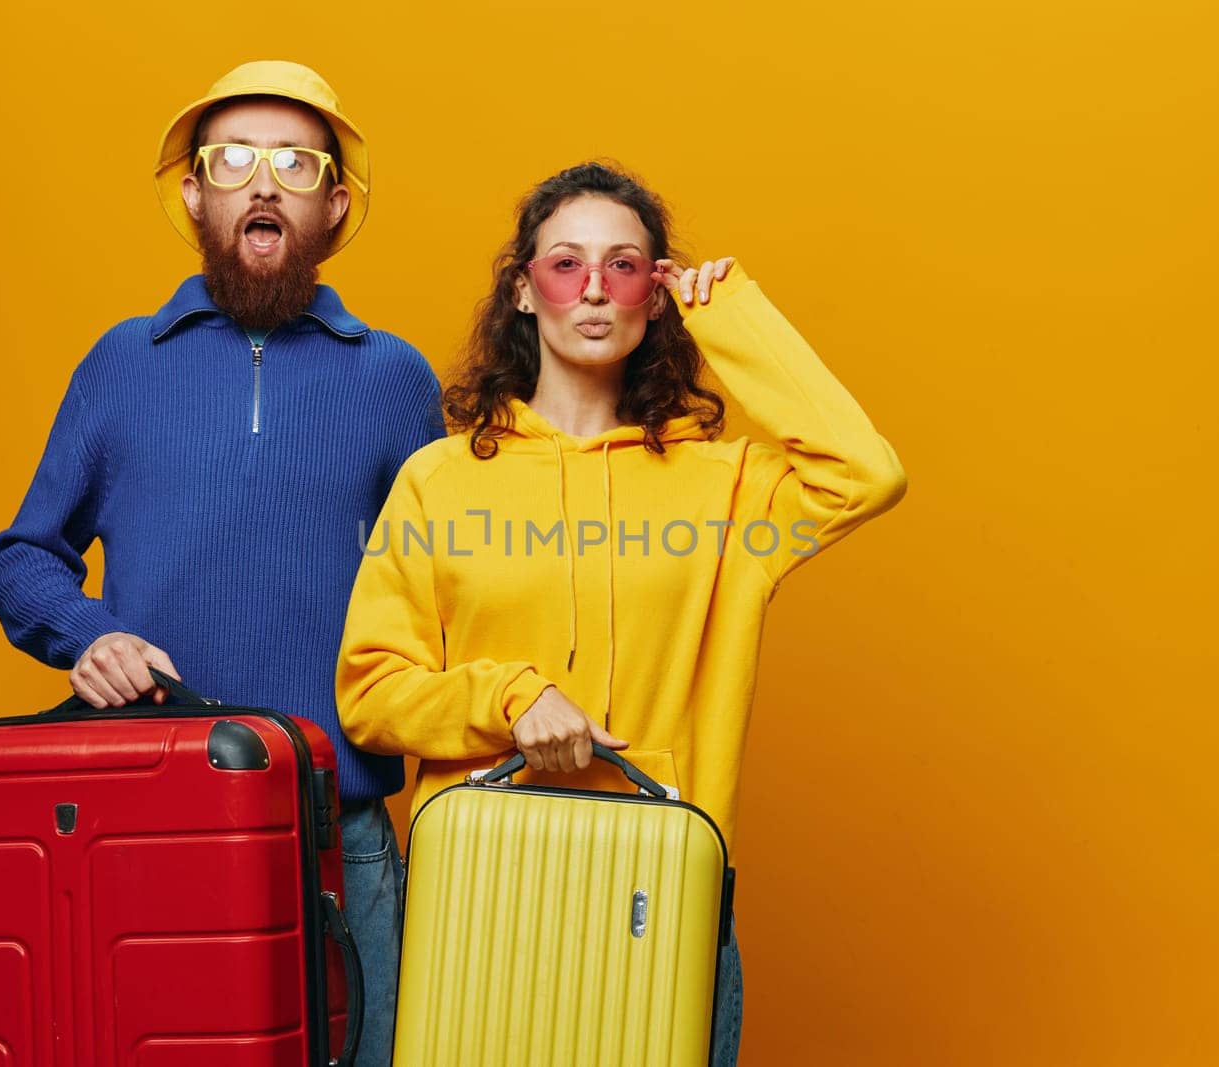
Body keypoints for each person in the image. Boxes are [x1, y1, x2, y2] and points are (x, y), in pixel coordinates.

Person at [334, 161, 907, 1063]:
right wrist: (510, 699)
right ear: (523, 292)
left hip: (661, 896)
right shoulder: (439, 479)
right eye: (566, 265)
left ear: (656, 295)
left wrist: (732, 317)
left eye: (626, 266)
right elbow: (371, 693)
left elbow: (867, 473)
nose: (595, 289)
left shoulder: (729, 488)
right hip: (483, 896)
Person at [0, 60, 441, 1066]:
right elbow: (22, 558)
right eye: (232, 159)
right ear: (194, 192)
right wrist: (90, 631)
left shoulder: (396, 377)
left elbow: (455, 594)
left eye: (294, 161)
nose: (263, 181)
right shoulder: (121, 363)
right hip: (156, 811)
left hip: (341, 829)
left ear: (333, 203)